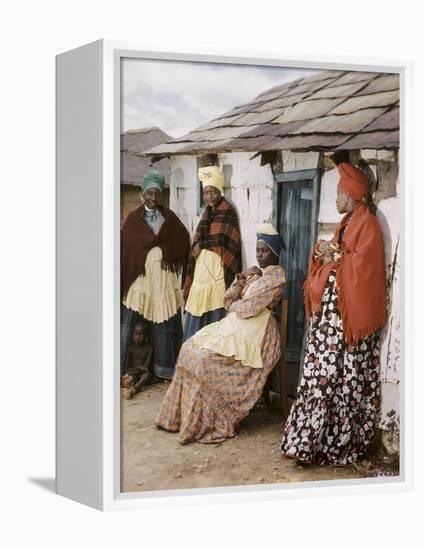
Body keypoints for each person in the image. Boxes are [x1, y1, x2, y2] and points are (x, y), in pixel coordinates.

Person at [280, 162, 387, 465]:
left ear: (351, 194)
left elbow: (361, 268)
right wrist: (325, 251)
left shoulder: (367, 226)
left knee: (341, 384)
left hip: (347, 327)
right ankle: (306, 444)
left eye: (339, 192)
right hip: (330, 328)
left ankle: (335, 446)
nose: (336, 198)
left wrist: (335, 256)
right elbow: (341, 256)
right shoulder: (347, 223)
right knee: (319, 380)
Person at [156, 224, 285, 444]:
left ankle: (208, 421)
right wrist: (242, 277)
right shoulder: (258, 275)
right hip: (237, 325)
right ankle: (177, 419)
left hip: (257, 331)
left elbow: (247, 309)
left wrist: (234, 303)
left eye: (264, 251)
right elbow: (229, 297)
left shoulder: (275, 280)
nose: (259, 255)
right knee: (190, 348)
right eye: (257, 250)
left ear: (275, 253)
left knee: (205, 360)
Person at [121, 169, 190, 380]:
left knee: (164, 323)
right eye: (149, 193)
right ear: (143, 193)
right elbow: (128, 250)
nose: (152, 198)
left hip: (162, 281)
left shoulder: (168, 217)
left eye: (156, 194)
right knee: (129, 322)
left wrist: (167, 251)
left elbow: (183, 240)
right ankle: (121, 368)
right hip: (139, 281)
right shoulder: (133, 220)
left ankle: (163, 369)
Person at [183, 166, 242, 340]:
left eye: (213, 192)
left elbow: (224, 240)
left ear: (219, 191)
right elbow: (199, 240)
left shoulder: (227, 212)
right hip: (201, 275)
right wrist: (198, 247)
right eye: (206, 192)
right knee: (196, 313)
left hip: (217, 274)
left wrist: (202, 245)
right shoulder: (206, 214)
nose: (209, 196)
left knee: (214, 317)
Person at [121, 321, 153, 399]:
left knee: (147, 375)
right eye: (135, 334)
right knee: (129, 377)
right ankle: (129, 385)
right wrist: (138, 368)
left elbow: (146, 368)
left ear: (146, 336)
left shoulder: (149, 348)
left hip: (142, 374)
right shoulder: (130, 348)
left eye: (141, 335)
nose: (137, 337)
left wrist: (141, 369)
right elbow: (126, 369)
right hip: (133, 373)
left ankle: (134, 389)